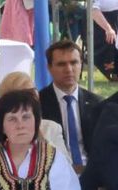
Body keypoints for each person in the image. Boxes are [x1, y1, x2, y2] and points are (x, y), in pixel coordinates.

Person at [38, 40, 103, 171]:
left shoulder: (98, 103)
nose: (69, 69)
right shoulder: (38, 103)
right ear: (49, 68)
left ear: (81, 65)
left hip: (91, 172)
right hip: (53, 172)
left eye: (74, 63)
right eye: (61, 64)